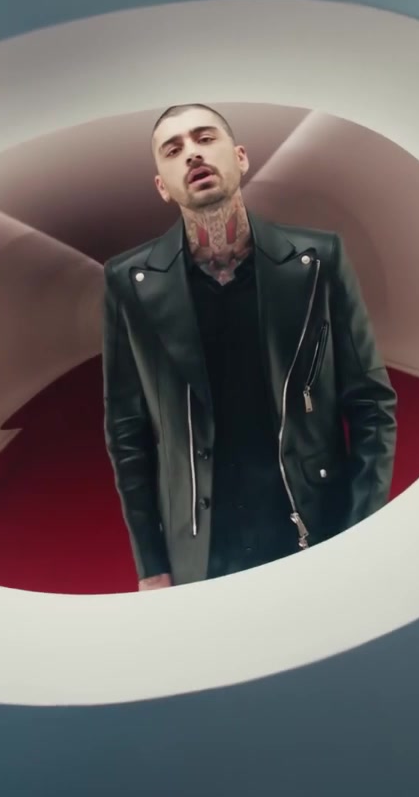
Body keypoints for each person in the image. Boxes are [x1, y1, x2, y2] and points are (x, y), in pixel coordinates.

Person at [101, 103, 398, 589]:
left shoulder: (317, 260)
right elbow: (126, 431)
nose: (192, 153)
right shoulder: (128, 281)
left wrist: (362, 529)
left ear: (240, 157)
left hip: (312, 524)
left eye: (205, 138)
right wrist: (151, 564)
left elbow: (371, 403)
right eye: (173, 150)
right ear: (162, 186)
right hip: (200, 545)